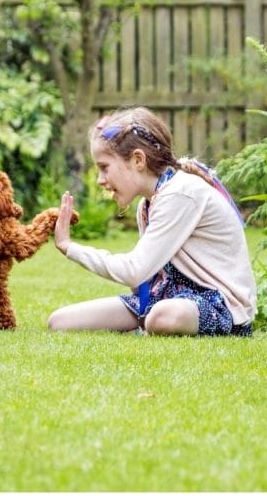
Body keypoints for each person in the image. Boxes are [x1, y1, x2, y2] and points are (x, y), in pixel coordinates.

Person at [48, 107, 256, 336]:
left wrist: (70, 247)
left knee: (161, 317)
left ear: (138, 159)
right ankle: (147, 326)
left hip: (217, 307)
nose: (100, 180)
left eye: (104, 168)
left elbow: (133, 271)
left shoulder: (180, 193)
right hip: (167, 297)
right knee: (59, 321)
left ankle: (148, 327)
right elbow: (142, 281)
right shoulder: (147, 205)